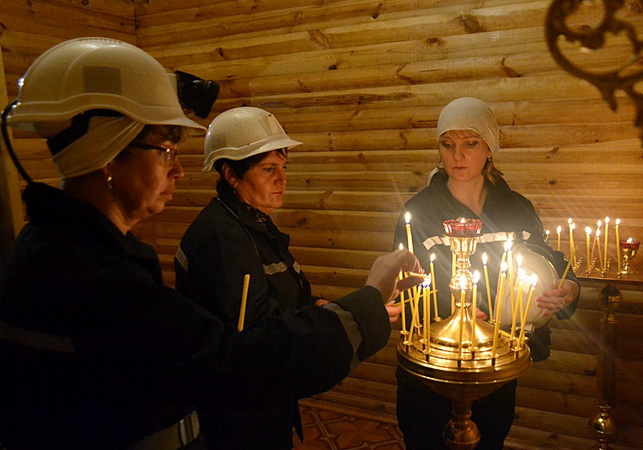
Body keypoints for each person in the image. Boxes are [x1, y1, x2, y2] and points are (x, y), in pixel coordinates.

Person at [0, 37, 422, 450]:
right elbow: (239, 363)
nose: (179, 170)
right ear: (107, 156)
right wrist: (367, 301)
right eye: (166, 149)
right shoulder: (91, 278)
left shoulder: (61, 248)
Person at [175, 106, 406, 449]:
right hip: (236, 415)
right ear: (230, 174)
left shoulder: (252, 222)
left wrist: (323, 307)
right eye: (268, 169)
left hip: (264, 402)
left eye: (283, 167)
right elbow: (256, 340)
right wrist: (353, 310)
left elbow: (281, 298)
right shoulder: (221, 238)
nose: (282, 179)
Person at [393, 97, 580, 450]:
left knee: (489, 439)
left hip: (495, 362)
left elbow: (548, 261)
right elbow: (405, 286)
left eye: (470, 144)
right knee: (426, 439)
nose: (457, 156)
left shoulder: (515, 209)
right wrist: (454, 318)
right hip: (435, 364)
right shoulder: (420, 212)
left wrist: (568, 288)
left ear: (490, 149)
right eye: (447, 145)